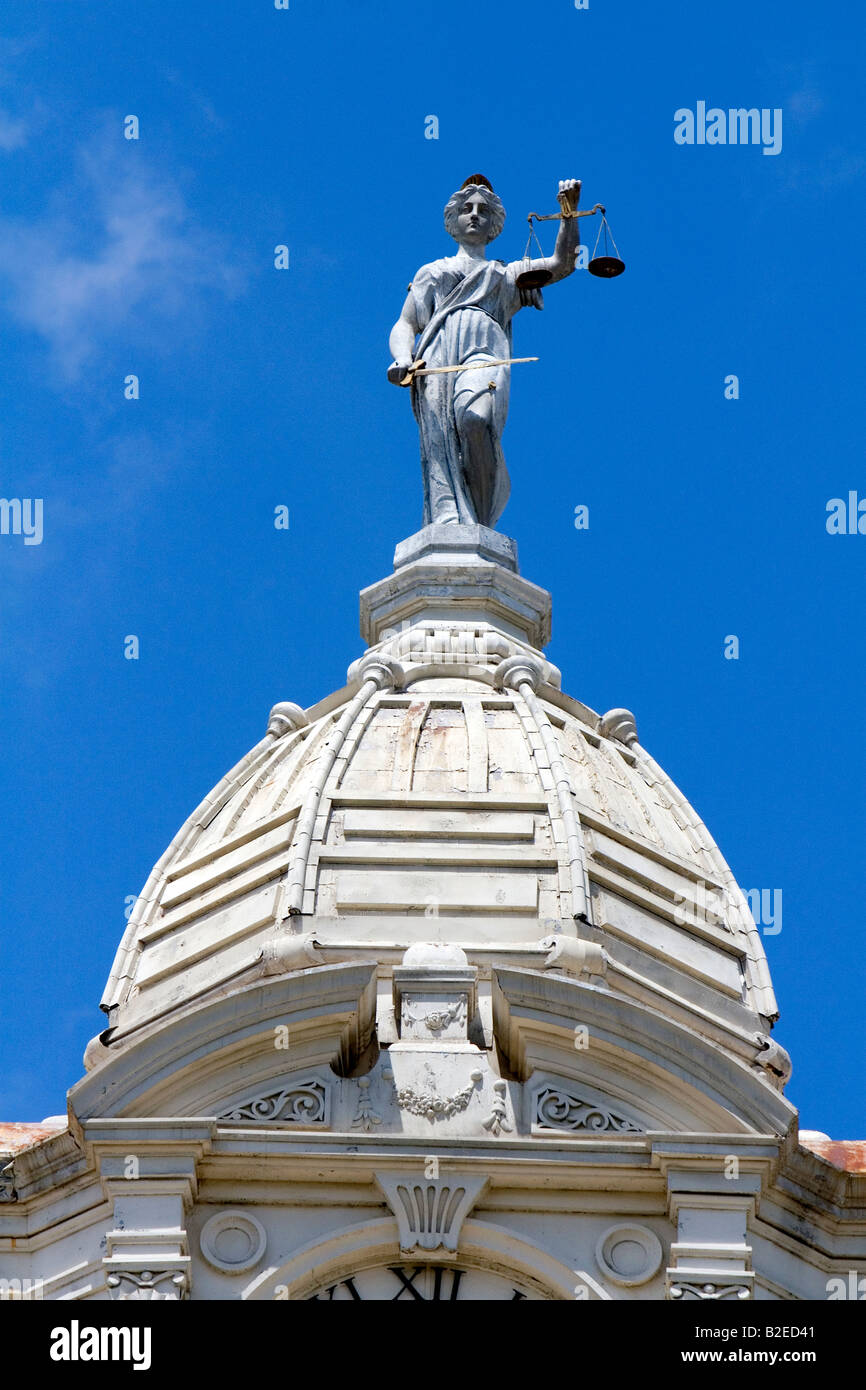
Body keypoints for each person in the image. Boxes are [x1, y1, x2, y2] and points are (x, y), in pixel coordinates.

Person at [388, 174, 582, 529]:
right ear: (453, 222)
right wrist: (402, 358)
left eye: (483, 210)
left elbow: (561, 264)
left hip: (485, 352)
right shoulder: (433, 272)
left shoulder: (505, 275)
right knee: (439, 438)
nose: (474, 214)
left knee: (476, 418)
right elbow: (404, 323)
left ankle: (480, 514)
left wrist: (568, 213)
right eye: (466, 209)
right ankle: (449, 518)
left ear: (494, 225)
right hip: (435, 357)